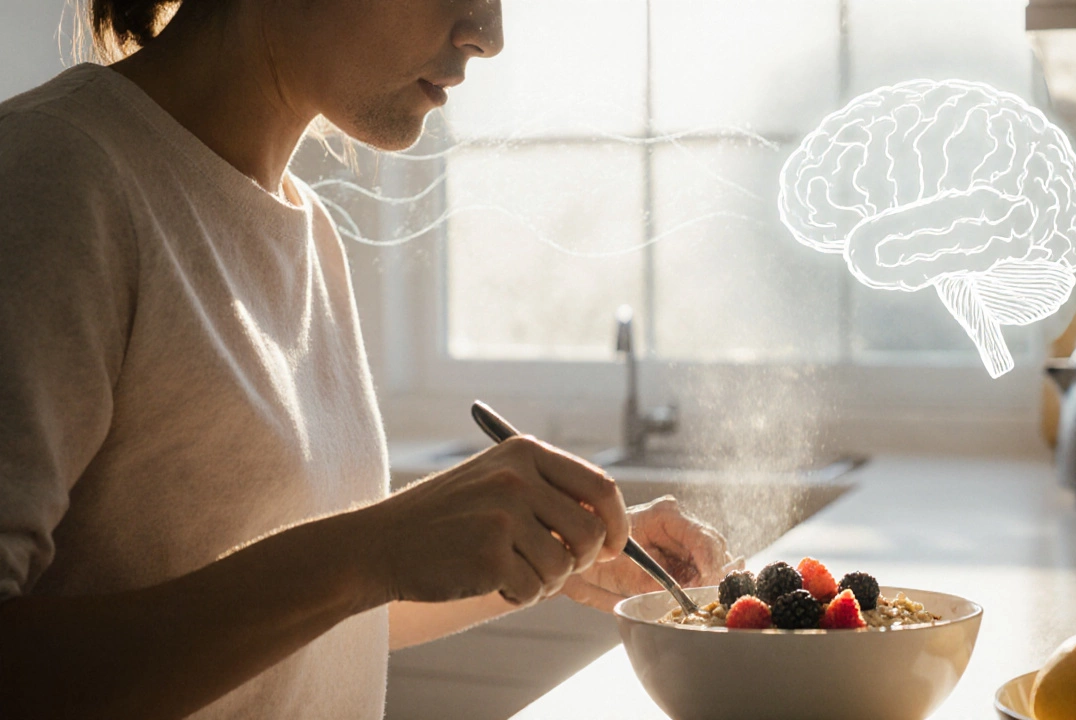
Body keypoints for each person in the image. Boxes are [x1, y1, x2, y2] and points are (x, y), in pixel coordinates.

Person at [0, 1, 736, 718]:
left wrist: (540, 550)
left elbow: (310, 623)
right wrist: (369, 550)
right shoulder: (52, 180)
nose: (489, 34)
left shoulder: (304, 224)